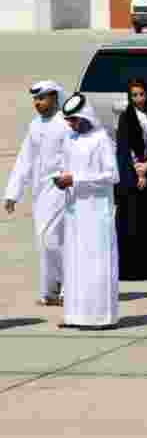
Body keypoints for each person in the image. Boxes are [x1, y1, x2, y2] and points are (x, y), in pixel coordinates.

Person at [56, 93, 120, 329]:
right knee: (75, 262)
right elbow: (65, 167)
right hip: (74, 209)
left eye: (73, 120)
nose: (70, 124)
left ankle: (99, 317)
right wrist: (61, 178)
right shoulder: (70, 139)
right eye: (68, 120)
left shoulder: (101, 139)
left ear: (85, 117)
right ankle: (74, 315)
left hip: (96, 210)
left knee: (96, 262)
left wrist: (77, 179)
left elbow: (112, 176)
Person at [5, 81, 68, 306]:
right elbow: (25, 161)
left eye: (41, 98)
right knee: (43, 241)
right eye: (35, 99)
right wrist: (13, 193)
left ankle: (67, 286)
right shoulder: (35, 125)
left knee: (53, 239)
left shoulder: (66, 122)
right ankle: (51, 290)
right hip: (40, 192)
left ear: (54, 97)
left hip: (62, 189)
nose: (37, 103)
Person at [115, 78, 147, 281]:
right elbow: (125, 148)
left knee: (146, 224)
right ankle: (128, 270)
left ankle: (145, 269)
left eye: (141, 94)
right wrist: (138, 172)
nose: (138, 98)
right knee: (129, 223)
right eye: (134, 95)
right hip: (131, 178)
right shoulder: (125, 118)